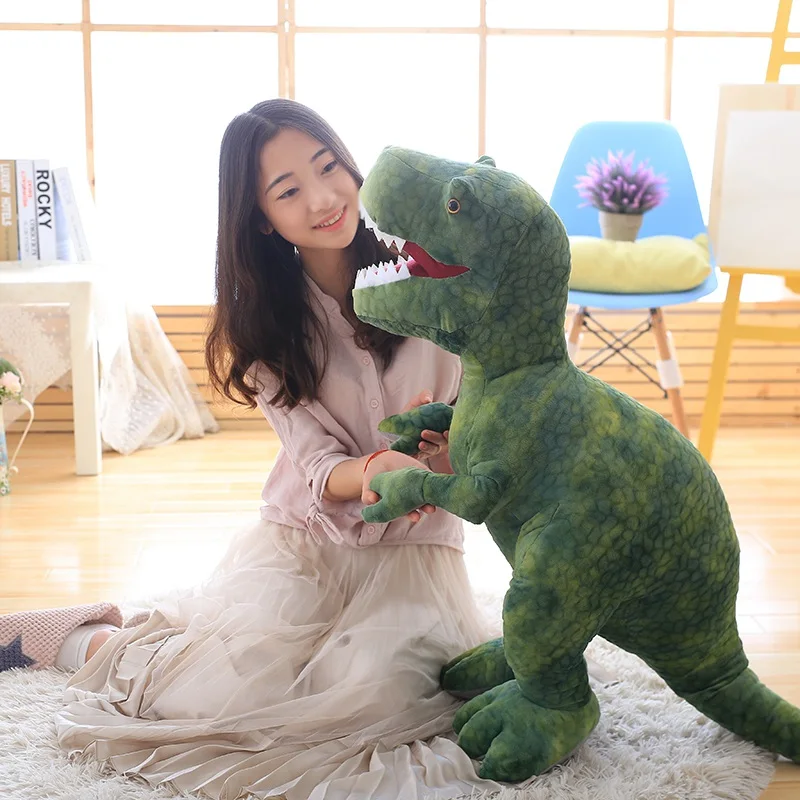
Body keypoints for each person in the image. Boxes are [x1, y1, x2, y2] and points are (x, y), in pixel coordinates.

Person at [0, 99, 504, 800]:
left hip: (413, 555)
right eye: (289, 190)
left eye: (328, 169)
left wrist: (449, 454)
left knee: (375, 705)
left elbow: (491, 407)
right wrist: (375, 472)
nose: (322, 198)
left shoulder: (432, 272)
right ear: (262, 217)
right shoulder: (264, 323)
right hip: (307, 543)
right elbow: (317, 464)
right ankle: (86, 639)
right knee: (215, 698)